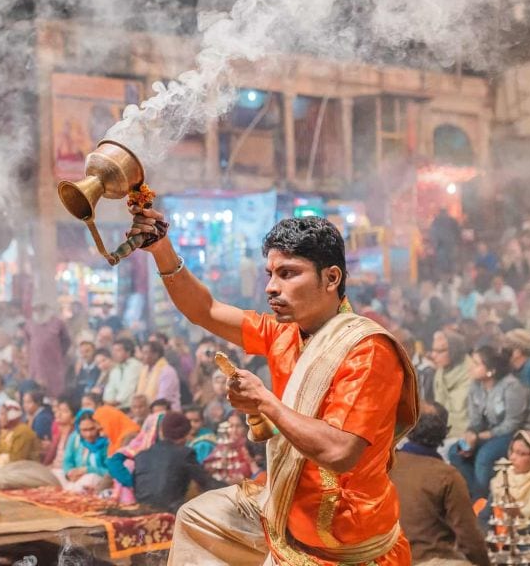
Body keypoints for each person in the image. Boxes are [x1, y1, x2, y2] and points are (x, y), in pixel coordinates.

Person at [129, 209, 418, 564]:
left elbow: (340, 451)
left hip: (342, 530)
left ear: (331, 278)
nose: (271, 287)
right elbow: (203, 309)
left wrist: (265, 402)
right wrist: (161, 248)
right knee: (195, 519)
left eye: (288, 274)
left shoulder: (367, 351)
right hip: (284, 500)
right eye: (270, 274)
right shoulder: (282, 332)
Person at [389, 401, 491, 566]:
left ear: (408, 428)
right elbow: (469, 537)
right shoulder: (447, 476)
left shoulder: (386, 465)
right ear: (445, 432)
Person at [449, 345, 530, 500]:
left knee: (485, 457)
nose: (471, 367)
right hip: (487, 435)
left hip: (515, 435)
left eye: (476, 363)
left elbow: (512, 423)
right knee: (456, 451)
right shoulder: (475, 386)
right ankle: (474, 496)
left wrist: (479, 438)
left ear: (491, 370)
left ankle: (483, 501)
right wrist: (470, 436)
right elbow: (475, 419)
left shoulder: (512, 386)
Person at [129, 412, 226, 513]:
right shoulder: (185, 454)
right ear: (186, 434)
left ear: (162, 431)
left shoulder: (142, 455)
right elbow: (206, 483)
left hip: (143, 512)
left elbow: (138, 487)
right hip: (170, 513)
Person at [433, 329, 473, 445]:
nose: (433, 355)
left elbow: (468, 416)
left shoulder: (471, 373)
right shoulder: (440, 372)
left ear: (454, 351)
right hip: (441, 432)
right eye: (433, 350)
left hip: (464, 435)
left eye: (440, 351)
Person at [58, 410, 112, 494]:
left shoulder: (106, 441)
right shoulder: (75, 437)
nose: (89, 434)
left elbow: (111, 472)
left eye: (92, 429)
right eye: (84, 430)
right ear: (78, 429)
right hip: (76, 476)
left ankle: (72, 491)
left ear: (98, 426)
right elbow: (67, 461)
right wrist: (69, 473)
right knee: (57, 473)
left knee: (90, 478)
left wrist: (87, 470)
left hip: (97, 478)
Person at [24, 303, 71, 397]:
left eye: (42, 308)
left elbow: (66, 341)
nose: (39, 311)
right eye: (36, 309)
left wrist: (58, 354)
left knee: (55, 393)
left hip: (54, 365)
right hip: (36, 366)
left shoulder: (58, 323)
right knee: (35, 392)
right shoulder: (29, 324)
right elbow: (28, 342)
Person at [203, 412, 258, 483]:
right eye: (231, 426)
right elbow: (207, 467)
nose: (234, 430)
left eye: (238, 426)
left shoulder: (249, 448)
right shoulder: (221, 446)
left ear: (246, 428)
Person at [81, 392, 139, 456]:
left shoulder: (102, 413)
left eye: (88, 404)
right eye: (83, 405)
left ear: (98, 405)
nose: (85, 409)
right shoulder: (114, 439)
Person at [135, 340, 180, 409]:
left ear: (156, 354)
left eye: (146, 353)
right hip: (147, 411)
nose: (142, 356)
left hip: (166, 412)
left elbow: (162, 399)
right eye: (142, 353)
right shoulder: (144, 370)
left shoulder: (167, 371)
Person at [102, 338, 143, 409]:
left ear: (128, 352)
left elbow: (128, 387)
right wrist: (107, 401)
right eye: (113, 350)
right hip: (115, 406)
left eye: (118, 350)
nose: (114, 353)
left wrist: (116, 402)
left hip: (129, 407)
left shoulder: (135, 365)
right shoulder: (116, 368)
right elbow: (110, 388)